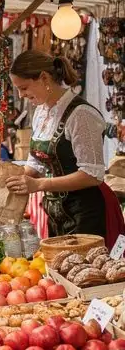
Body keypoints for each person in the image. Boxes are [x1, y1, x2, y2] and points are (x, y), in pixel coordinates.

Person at [7, 50, 123, 241]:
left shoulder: (81, 115)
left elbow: (92, 175)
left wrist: (40, 184)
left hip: (87, 213)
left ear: (44, 78)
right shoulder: (41, 113)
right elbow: (35, 166)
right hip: (57, 212)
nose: (21, 95)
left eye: (24, 87)